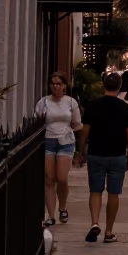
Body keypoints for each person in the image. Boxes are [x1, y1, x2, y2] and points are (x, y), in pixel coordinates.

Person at [79, 72, 128, 243]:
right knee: (113, 193)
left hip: (96, 153)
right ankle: (109, 231)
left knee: (95, 191)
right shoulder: (125, 108)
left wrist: (81, 152)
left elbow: (84, 132)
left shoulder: (93, 105)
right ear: (120, 87)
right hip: (117, 154)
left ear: (104, 84)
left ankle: (95, 223)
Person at [36, 72, 82, 227]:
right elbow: (37, 122)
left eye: (59, 84)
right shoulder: (43, 102)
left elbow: (77, 122)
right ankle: (50, 214)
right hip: (48, 140)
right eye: (53, 83)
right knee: (49, 179)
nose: (56, 86)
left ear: (64, 86)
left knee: (61, 178)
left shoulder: (70, 102)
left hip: (65, 141)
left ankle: (62, 207)